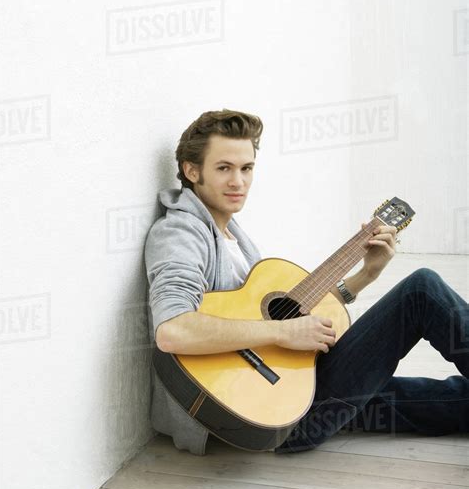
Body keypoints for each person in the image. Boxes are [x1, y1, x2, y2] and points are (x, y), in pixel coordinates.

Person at [144, 109, 469, 455]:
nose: (238, 181)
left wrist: (365, 275)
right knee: (422, 290)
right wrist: (284, 333)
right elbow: (173, 329)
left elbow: (285, 315)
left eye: (246, 168)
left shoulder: (233, 236)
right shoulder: (181, 232)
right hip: (261, 414)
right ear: (193, 171)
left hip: (293, 391)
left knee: (457, 400)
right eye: (224, 168)